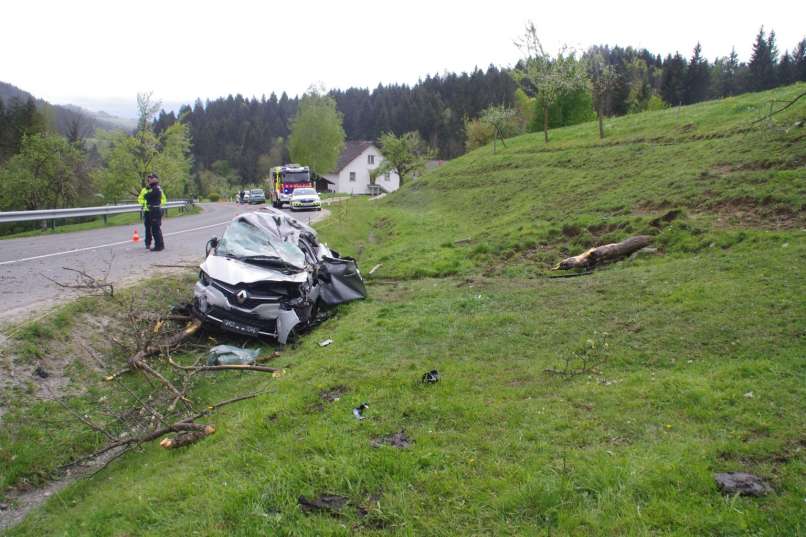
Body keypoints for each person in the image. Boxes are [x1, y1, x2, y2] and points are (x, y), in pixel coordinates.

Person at [137, 174, 167, 250]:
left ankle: (159, 245)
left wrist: (158, 204)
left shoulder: (157, 189)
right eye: (148, 179)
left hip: (155, 210)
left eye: (151, 179)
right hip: (147, 211)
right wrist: (144, 204)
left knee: (155, 228)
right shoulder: (144, 189)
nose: (149, 181)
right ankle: (148, 243)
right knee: (148, 228)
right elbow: (140, 199)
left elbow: (163, 199)